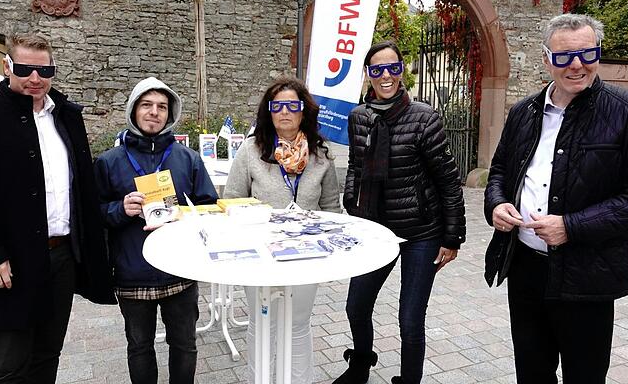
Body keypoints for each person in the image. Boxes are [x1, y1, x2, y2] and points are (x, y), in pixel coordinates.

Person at [483, 14, 628, 384]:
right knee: (532, 372)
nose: (576, 65)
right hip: (524, 268)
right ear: (545, 59)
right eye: (564, 56)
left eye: (587, 53)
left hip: (588, 273)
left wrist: (572, 226)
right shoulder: (524, 112)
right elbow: (500, 170)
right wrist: (496, 203)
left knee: (584, 375)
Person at [0, 34, 115, 382]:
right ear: (7, 66)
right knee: (9, 368)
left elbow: (81, 185)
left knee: (48, 356)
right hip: (7, 264)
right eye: (26, 68)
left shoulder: (67, 116)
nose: (35, 77)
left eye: (44, 69)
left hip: (61, 258)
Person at [335, 40, 466, 384]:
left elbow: (448, 181)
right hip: (376, 230)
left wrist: (452, 237)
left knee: (409, 319)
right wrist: (353, 203)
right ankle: (360, 365)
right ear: (368, 75)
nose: (385, 76)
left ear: (402, 70)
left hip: (421, 232)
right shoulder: (358, 117)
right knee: (356, 306)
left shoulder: (423, 118)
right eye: (377, 70)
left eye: (392, 68)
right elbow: (355, 167)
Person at [94, 77, 218, 384]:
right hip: (131, 270)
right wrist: (119, 209)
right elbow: (93, 214)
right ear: (133, 110)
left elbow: (209, 206)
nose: (154, 112)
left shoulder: (186, 158)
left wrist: (184, 214)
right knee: (139, 347)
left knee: (185, 346)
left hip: (180, 271)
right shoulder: (109, 162)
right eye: (147, 105)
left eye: (162, 107)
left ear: (170, 113)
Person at [223, 76, 341, 383]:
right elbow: (231, 201)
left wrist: (331, 255)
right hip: (259, 255)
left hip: (307, 256)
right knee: (262, 325)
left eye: (292, 105)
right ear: (269, 111)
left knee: (298, 324)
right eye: (278, 106)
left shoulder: (321, 155)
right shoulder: (250, 151)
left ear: (304, 111)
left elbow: (332, 209)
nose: (285, 111)